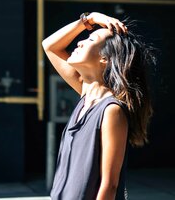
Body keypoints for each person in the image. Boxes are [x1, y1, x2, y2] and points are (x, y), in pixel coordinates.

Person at [42, 12, 155, 200]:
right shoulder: (86, 94)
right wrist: (89, 19)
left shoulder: (111, 111)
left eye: (90, 39)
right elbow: (49, 46)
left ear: (105, 59)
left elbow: (109, 185)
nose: (79, 42)